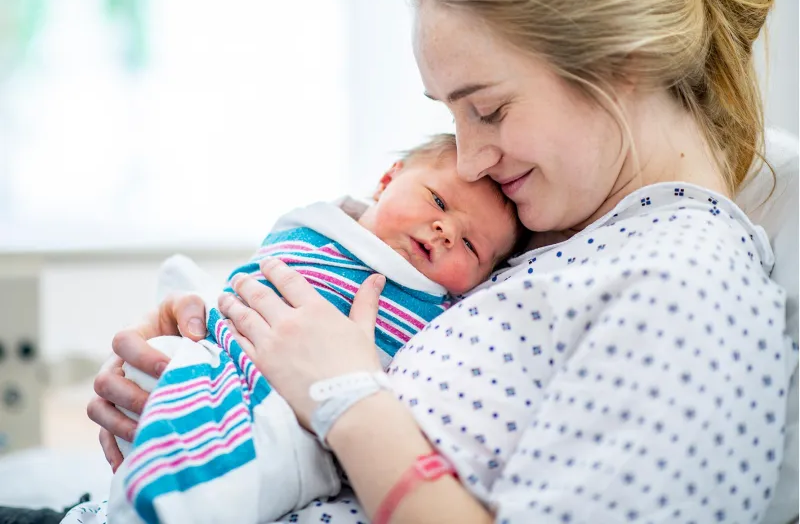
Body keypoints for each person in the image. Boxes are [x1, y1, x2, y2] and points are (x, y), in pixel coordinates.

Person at [83, 0, 793, 523]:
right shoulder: (557, 237)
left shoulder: (685, 288)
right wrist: (212, 356)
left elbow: (352, 394)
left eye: (487, 109)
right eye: (450, 116)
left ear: (621, 64)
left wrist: (346, 397)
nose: (472, 158)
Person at [64, 134, 521, 524]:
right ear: (387, 178)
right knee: (160, 362)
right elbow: (252, 280)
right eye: (438, 201)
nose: (444, 230)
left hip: (285, 409)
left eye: (470, 245)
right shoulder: (325, 227)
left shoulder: (441, 310)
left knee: (242, 458)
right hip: (217, 349)